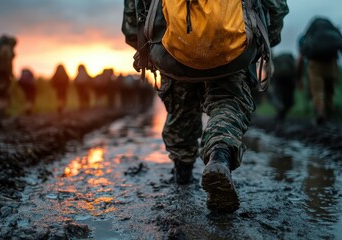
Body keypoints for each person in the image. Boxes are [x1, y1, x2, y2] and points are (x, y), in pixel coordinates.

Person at [122, 0, 289, 212]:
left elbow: (133, 10)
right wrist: (264, 40)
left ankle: (182, 175)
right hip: (232, 50)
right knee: (228, 103)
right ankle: (219, 157)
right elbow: (275, 7)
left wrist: (144, 43)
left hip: (172, 49)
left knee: (182, 111)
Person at [297, 17, 342, 125]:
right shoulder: (335, 33)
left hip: (315, 65)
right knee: (329, 91)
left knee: (317, 92)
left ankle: (321, 113)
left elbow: (300, 59)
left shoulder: (310, 34)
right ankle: (330, 113)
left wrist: (298, 78)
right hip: (332, 64)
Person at [268, 52, 297, 121]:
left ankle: (281, 110)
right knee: (288, 96)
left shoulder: (276, 60)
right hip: (289, 78)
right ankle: (283, 112)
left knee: (279, 96)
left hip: (278, 78)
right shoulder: (289, 58)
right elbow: (294, 67)